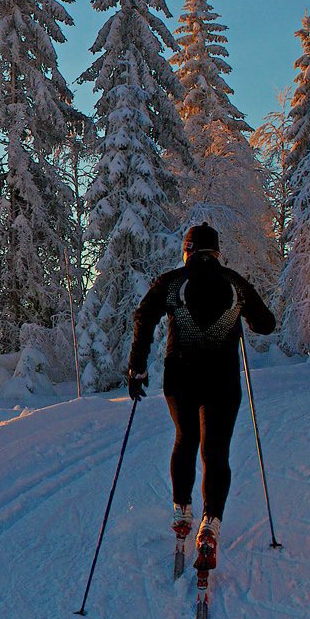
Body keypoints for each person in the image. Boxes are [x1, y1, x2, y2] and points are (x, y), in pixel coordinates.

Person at [126, 222, 275, 572]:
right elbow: (266, 324)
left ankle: (182, 511)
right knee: (216, 451)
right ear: (217, 252)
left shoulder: (172, 282)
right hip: (222, 380)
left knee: (185, 438)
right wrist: (240, 317)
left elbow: (142, 316)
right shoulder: (234, 282)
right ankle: (211, 523)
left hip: (181, 378)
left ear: (187, 250)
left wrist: (137, 367)